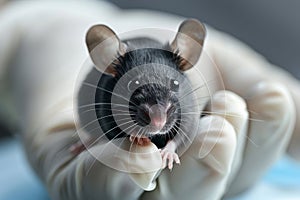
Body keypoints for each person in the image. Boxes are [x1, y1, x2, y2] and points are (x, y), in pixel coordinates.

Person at [0, 1, 299, 199]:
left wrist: (171, 145)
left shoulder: (184, 99)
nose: (158, 121)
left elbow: (188, 122)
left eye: (167, 107)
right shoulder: (105, 90)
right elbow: (102, 118)